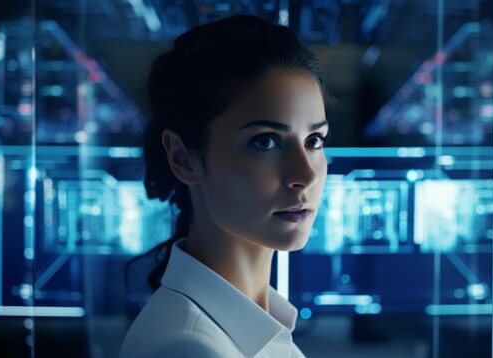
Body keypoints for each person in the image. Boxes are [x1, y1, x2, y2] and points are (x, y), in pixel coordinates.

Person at [119, 14, 335, 358]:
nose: (305, 175)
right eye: (265, 142)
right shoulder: (189, 349)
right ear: (183, 158)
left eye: (314, 140)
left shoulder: (257, 327)